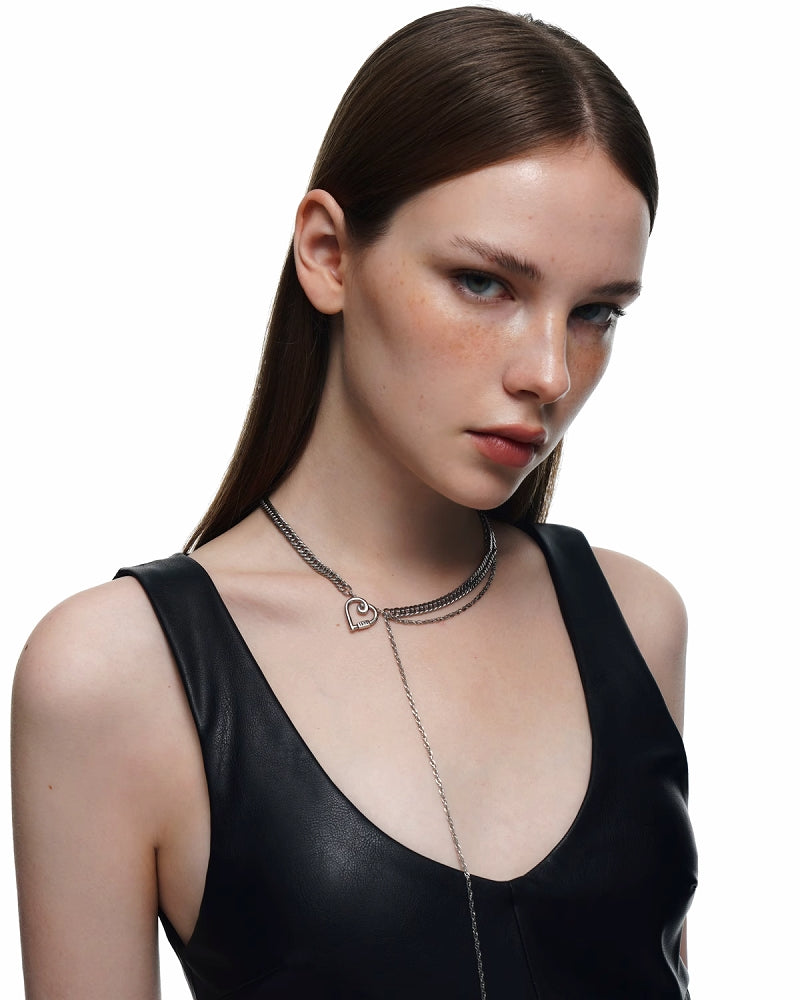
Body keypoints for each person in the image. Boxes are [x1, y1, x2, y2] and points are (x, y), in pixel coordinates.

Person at [11, 6, 697, 998]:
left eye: (595, 313)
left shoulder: (635, 620)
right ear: (328, 254)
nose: (549, 372)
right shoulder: (117, 676)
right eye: (483, 282)